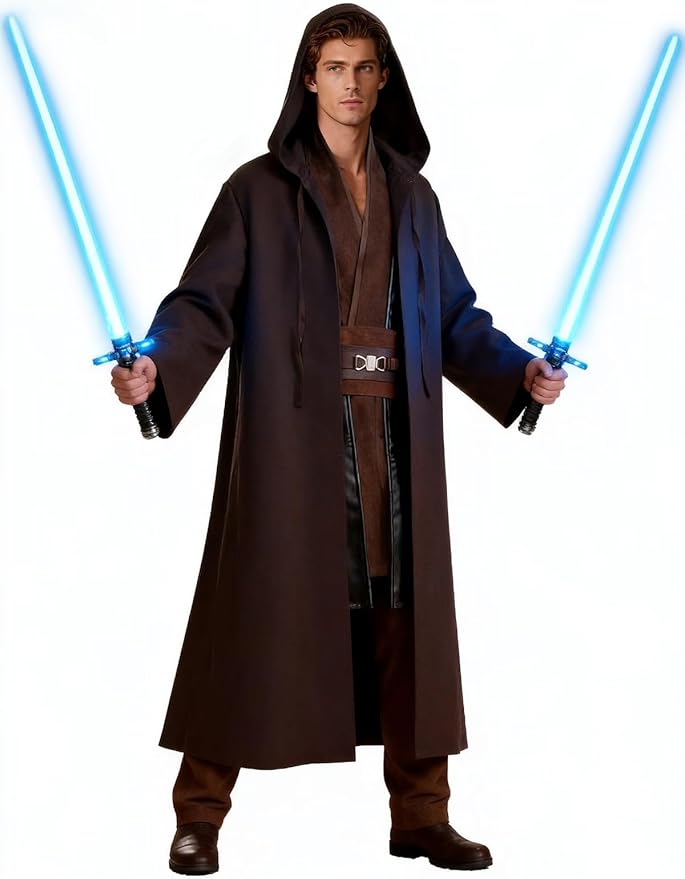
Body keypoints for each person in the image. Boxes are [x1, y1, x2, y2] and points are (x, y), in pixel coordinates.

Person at [111, 4, 566, 874]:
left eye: (363, 68)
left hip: (394, 435)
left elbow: (453, 316)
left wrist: (518, 374)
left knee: (405, 621)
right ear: (308, 79)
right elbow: (202, 301)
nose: (350, 84)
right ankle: (198, 813)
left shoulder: (413, 196)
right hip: (293, 440)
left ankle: (420, 814)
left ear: (383, 79)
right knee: (251, 615)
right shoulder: (256, 191)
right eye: (334, 68)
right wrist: (158, 367)